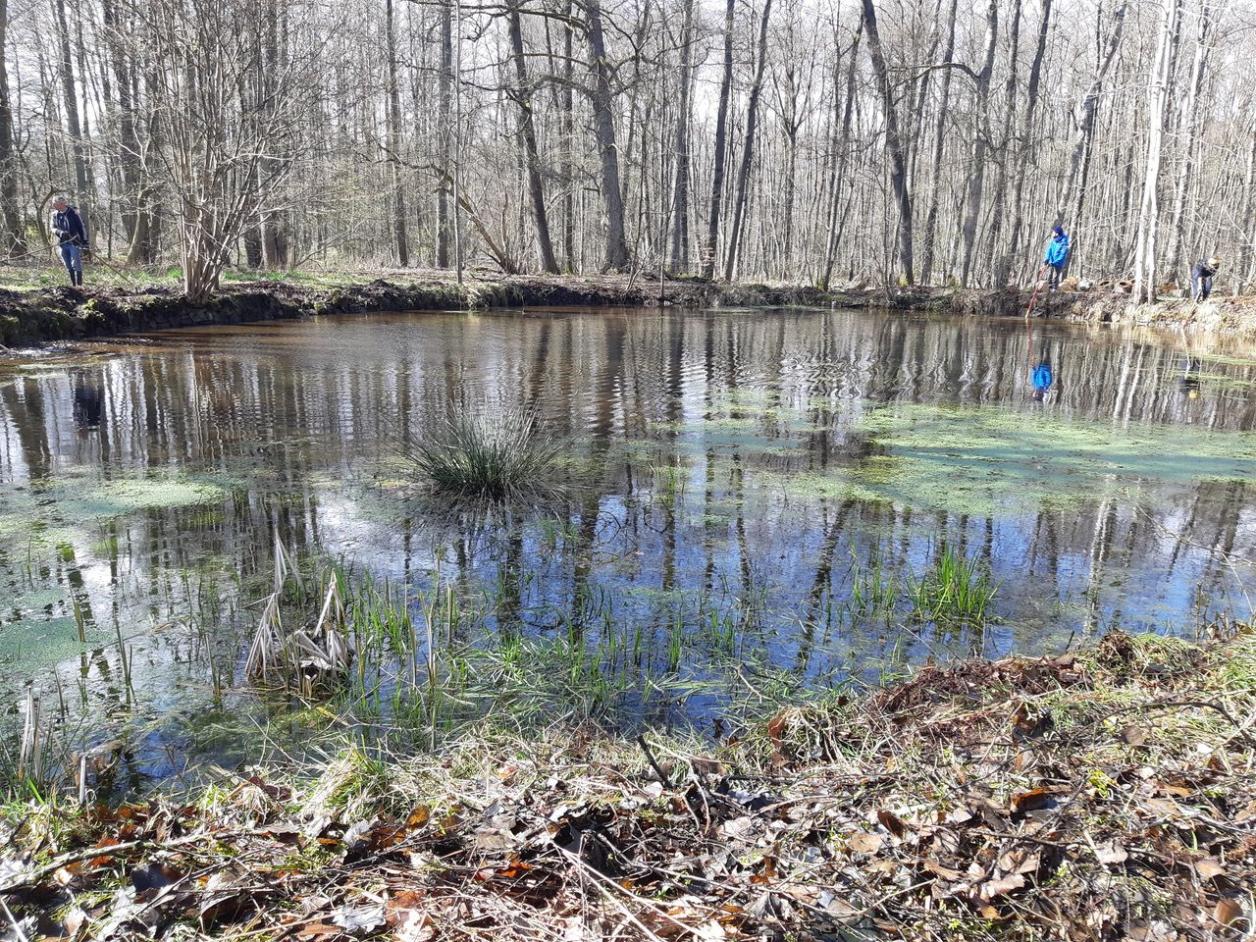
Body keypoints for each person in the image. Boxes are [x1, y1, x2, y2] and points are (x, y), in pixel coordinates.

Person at [49, 196, 89, 287]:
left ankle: (79, 286)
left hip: (74, 242)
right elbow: (52, 228)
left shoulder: (73, 213)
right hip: (62, 244)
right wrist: (60, 232)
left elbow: (81, 227)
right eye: (53, 203)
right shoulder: (54, 215)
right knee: (68, 265)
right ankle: (73, 285)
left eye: (55, 203)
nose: (53, 205)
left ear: (62, 204)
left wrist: (84, 241)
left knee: (75, 263)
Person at [1042, 225, 1071, 292]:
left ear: (1057, 233)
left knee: (1055, 277)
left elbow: (1062, 256)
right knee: (1049, 276)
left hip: (1058, 263)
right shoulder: (1054, 240)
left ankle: (1054, 291)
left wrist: (1054, 263)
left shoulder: (1064, 243)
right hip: (1051, 261)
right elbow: (1049, 250)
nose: (1053, 232)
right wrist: (1046, 259)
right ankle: (1048, 290)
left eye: (1054, 231)